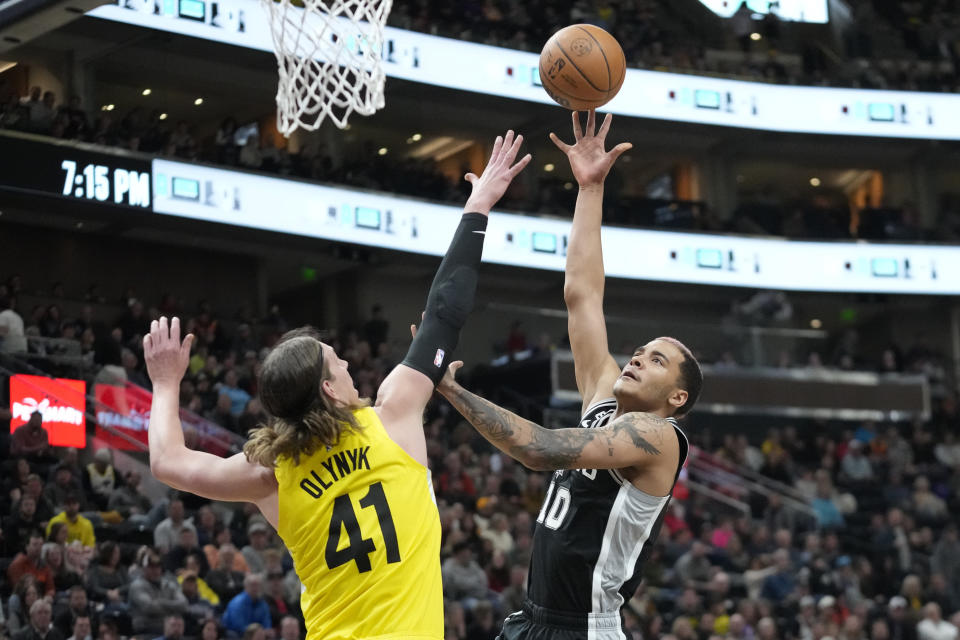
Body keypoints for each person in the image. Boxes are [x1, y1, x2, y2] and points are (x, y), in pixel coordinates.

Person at [142, 130, 531, 640]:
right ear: (328, 388)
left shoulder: (272, 473)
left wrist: (166, 383)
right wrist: (478, 205)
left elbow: (168, 462)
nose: (347, 362)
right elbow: (446, 309)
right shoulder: (392, 414)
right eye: (337, 360)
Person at [433, 112, 702, 640]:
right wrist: (589, 188)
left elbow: (539, 448)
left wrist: (452, 390)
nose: (638, 357)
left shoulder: (658, 437)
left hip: (583, 628)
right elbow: (583, 294)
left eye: (657, 360)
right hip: (533, 619)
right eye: (641, 350)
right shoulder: (604, 401)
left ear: (677, 396)